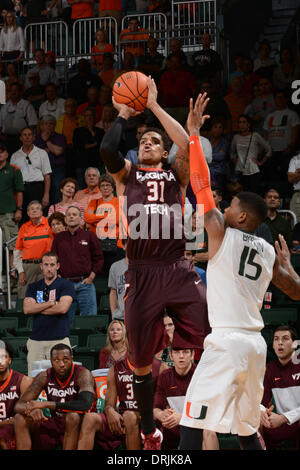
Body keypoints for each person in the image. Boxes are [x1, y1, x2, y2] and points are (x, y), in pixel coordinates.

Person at [178, 92, 300, 451]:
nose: (224, 206)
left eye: (230, 205)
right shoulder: (266, 250)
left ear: (241, 216)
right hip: (255, 346)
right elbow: (294, 292)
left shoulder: (221, 232)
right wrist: (291, 269)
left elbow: (200, 184)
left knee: (191, 422)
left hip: (228, 342)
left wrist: (194, 135)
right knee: (247, 430)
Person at [100, 77, 209, 449]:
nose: (146, 143)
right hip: (142, 273)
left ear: (163, 153)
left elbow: (186, 145)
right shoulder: (126, 175)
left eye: (154, 142)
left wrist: (157, 106)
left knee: (212, 338)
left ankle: (209, 410)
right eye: (142, 141)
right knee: (141, 363)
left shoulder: (175, 174)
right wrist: (124, 114)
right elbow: (108, 148)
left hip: (178, 267)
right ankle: (149, 429)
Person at [14, 343, 95, 450]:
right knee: (19, 418)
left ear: (72, 359)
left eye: (65, 359)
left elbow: (85, 405)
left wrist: (45, 404)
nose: (61, 364)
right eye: (56, 360)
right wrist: (32, 410)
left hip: (80, 421)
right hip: (56, 420)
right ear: (51, 361)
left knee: (73, 416)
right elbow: (18, 406)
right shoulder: (44, 376)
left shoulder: (83, 374)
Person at [154, 345, 219, 450]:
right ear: (171, 355)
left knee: (208, 430)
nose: (181, 356)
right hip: (172, 431)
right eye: (177, 353)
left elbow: (210, 411)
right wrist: (162, 414)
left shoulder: (202, 375)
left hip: (196, 429)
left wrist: (182, 418)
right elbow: (155, 408)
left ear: (192, 354)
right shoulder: (165, 376)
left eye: (185, 352)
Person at [23, 251, 76, 375]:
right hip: (36, 341)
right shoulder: (33, 287)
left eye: (52, 265)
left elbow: (62, 308)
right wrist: (50, 303)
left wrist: (37, 307)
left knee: (63, 379)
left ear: (58, 266)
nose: (49, 268)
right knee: (34, 381)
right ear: (41, 266)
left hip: (59, 339)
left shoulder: (66, 285)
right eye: (46, 265)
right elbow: (27, 309)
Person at [78, 351, 140, 450]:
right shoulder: (115, 369)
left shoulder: (156, 367)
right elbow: (109, 404)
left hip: (143, 420)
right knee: (90, 418)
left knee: (130, 417)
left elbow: (158, 407)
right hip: (122, 418)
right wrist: (110, 411)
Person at [51, 205, 104, 324]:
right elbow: (53, 259)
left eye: (74, 215)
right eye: (68, 215)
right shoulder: (59, 238)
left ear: (81, 219)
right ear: (65, 220)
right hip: (65, 285)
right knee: (65, 322)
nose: (71, 217)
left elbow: (99, 258)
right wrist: (58, 276)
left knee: (89, 321)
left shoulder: (89, 236)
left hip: (85, 284)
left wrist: (91, 277)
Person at [260, 325, 300, 450]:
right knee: (256, 419)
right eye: (276, 339)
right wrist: (262, 413)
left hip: (295, 422)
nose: (280, 343)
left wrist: (284, 418)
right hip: (277, 423)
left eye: (285, 338)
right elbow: (261, 401)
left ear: (295, 344)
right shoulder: (270, 369)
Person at [84, 174, 124, 275]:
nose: (105, 188)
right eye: (102, 185)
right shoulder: (94, 202)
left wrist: (96, 220)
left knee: (115, 275)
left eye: (108, 185)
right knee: (98, 275)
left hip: (115, 245)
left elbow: (116, 220)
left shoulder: (119, 202)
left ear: (113, 187)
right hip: (97, 244)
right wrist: (106, 216)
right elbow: (87, 218)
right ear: (99, 188)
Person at [13, 201, 53, 299]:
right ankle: (26, 315)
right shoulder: (24, 227)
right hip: (27, 268)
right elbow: (17, 251)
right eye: (32, 209)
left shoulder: (50, 225)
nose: (34, 210)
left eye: (37, 208)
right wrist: (20, 271)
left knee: (42, 298)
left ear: (42, 212)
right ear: (27, 213)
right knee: (26, 298)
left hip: (45, 266)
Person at [10, 126, 52, 220]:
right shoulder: (15, 156)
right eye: (24, 135)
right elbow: (12, 179)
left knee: (37, 215)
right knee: (23, 217)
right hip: (21, 189)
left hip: (37, 188)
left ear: (34, 137)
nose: (27, 137)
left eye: (29, 135)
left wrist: (46, 194)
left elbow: (47, 176)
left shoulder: (42, 153)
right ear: (20, 138)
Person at [0, 340, 32, 450]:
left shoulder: (23, 381)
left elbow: (28, 413)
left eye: (4, 357)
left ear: (10, 360)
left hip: (14, 428)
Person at [263, 89, 300, 183]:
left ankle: (286, 196)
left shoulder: (292, 114)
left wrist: (291, 146)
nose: (279, 99)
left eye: (281, 97)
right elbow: (266, 133)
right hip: (272, 151)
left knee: (286, 175)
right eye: (277, 97)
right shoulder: (270, 116)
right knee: (271, 175)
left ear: (286, 99)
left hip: (286, 151)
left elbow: (295, 131)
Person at [230, 114, 272, 194]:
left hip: (253, 169)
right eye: (239, 122)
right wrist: (236, 161)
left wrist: (261, 162)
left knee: (253, 193)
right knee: (241, 194)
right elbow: (232, 153)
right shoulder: (236, 137)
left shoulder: (255, 136)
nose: (241, 124)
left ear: (249, 124)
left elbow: (268, 149)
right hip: (240, 170)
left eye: (244, 122)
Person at [0, 142, 23, 274]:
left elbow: (19, 191)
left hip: (9, 212)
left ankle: (14, 275)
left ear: (7, 154)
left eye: (2, 151)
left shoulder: (14, 170)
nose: (0, 154)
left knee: (11, 246)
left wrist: (19, 209)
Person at [35, 114, 67, 205]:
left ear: (55, 125)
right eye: (46, 124)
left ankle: (57, 214)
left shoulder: (60, 137)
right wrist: (50, 149)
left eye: (51, 124)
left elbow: (58, 152)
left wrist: (46, 141)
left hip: (57, 169)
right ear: (41, 126)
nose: (48, 126)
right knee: (42, 195)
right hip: (40, 170)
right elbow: (36, 156)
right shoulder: (36, 139)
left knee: (58, 192)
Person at [0, 83, 38, 156]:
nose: (13, 92)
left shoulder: (26, 105)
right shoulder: (5, 107)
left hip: (22, 139)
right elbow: (0, 125)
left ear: (20, 92)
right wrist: (3, 138)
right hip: (7, 140)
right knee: (9, 161)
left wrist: (27, 139)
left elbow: (32, 124)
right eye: (11, 90)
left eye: (16, 90)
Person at [158, 53, 197, 125]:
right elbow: (160, 92)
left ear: (181, 62)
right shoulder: (164, 75)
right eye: (172, 61)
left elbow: (193, 91)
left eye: (176, 61)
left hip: (183, 108)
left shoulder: (187, 75)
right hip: (167, 108)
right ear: (169, 63)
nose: (174, 64)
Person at [73, 107, 105, 188]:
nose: (89, 117)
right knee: (81, 188)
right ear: (83, 117)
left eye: (91, 115)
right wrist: (93, 144)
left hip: (96, 164)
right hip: (82, 164)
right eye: (87, 115)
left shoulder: (100, 131)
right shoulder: (78, 131)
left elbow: (101, 146)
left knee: (97, 188)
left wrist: (91, 133)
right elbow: (79, 146)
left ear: (94, 117)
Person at [55, 98, 84, 179]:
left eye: (72, 106)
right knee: (67, 173)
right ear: (64, 107)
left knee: (78, 174)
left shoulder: (82, 119)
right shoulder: (60, 120)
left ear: (76, 107)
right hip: (65, 150)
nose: (70, 108)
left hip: (78, 150)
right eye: (68, 106)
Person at [108, 240, 128, 321]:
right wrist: (114, 314)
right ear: (123, 246)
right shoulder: (115, 267)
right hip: (120, 317)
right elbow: (113, 292)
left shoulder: (146, 267)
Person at [207, 116, 229, 190]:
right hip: (205, 172)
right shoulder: (206, 140)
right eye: (215, 127)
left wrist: (206, 156)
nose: (218, 130)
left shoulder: (224, 142)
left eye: (220, 127)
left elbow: (221, 156)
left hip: (218, 173)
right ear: (211, 128)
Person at [288, 152, 300, 223]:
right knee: (297, 225)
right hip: (298, 195)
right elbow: (290, 179)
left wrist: (298, 172)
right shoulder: (295, 159)